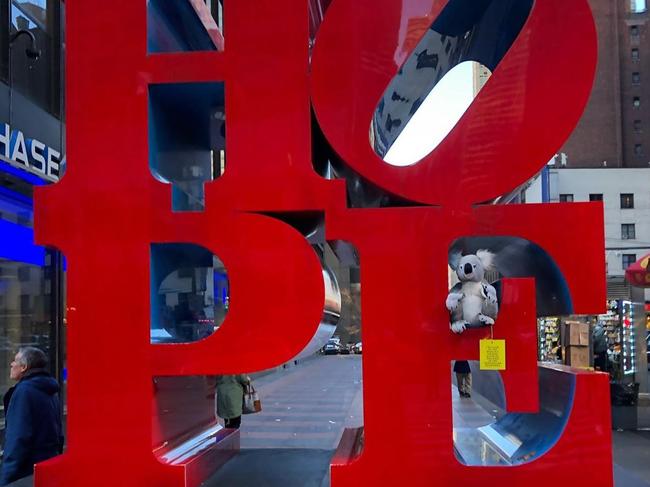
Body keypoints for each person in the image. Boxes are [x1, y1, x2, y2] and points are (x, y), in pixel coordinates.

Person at [1, 347, 63, 486]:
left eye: (15, 361)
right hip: (45, 471)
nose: (11, 364)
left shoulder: (24, 392)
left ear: (24, 367)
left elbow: (18, 438)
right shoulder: (50, 391)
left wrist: (5, 479)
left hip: (24, 475)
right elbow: (59, 433)